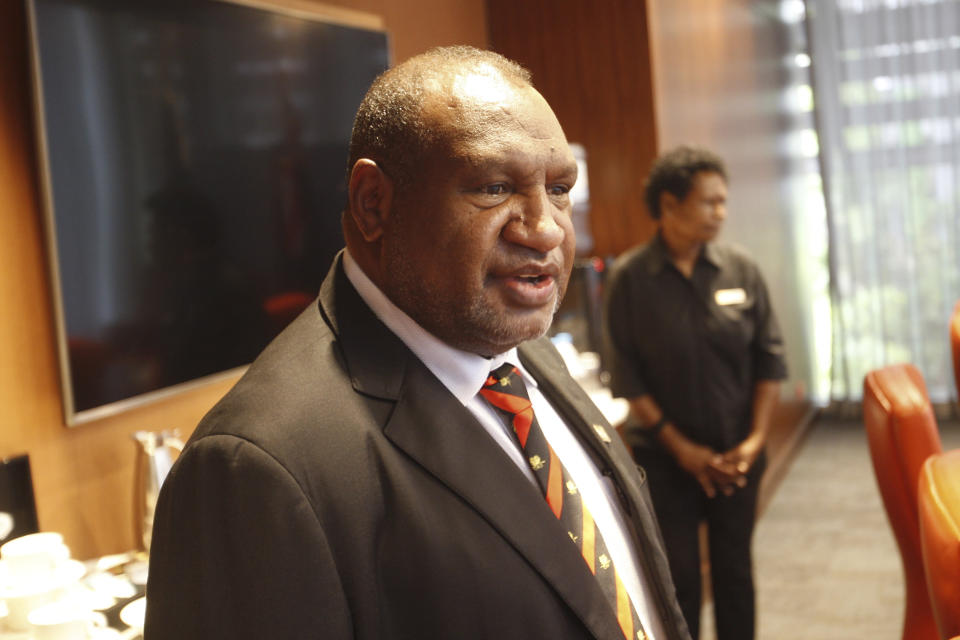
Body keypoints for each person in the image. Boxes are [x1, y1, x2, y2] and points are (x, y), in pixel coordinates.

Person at [144, 47, 691, 640]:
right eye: (494, 186)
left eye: (558, 189)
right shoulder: (255, 469)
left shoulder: (519, 348)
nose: (546, 228)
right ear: (374, 202)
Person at [602, 146, 787, 640]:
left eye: (723, 202)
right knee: (678, 578)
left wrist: (753, 443)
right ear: (669, 205)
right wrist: (685, 452)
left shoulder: (739, 270)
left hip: (737, 458)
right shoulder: (631, 280)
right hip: (666, 462)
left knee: (734, 572)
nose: (720, 214)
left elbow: (770, 360)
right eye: (710, 202)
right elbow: (627, 379)